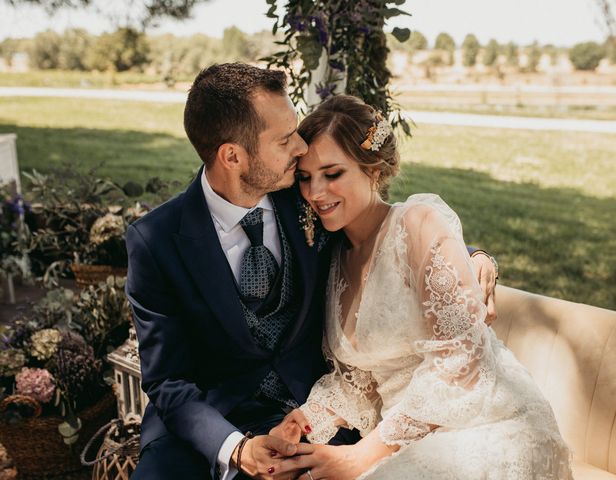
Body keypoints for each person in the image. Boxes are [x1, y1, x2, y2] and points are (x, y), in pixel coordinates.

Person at [126, 63, 498, 480]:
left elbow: (385, 229)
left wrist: (472, 256)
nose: (301, 148)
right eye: (285, 139)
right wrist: (237, 450)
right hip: (211, 424)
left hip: (316, 411)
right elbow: (168, 381)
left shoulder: (305, 196)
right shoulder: (155, 241)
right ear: (232, 156)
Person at [269, 95, 572, 479]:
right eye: (306, 177)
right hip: (400, 440)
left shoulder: (417, 224)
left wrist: (363, 455)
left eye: (332, 174)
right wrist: (302, 422)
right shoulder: (336, 257)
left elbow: (461, 363)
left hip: (484, 426)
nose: (315, 193)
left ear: (373, 169)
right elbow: (362, 380)